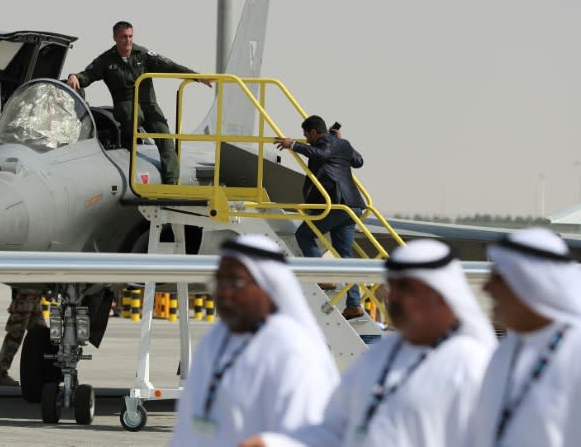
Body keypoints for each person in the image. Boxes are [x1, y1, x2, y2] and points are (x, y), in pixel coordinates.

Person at [243, 239, 497, 447]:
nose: (392, 299)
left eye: (406, 288)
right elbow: (335, 431)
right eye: (391, 288)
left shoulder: (470, 364)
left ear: (441, 295)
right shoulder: (379, 356)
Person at [170, 235, 339, 446]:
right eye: (219, 281)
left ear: (268, 287)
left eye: (235, 282)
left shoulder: (292, 350)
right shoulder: (214, 340)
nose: (223, 292)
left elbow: (313, 437)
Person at [469, 227, 581, 446]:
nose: (486, 288)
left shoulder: (576, 351)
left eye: (498, 278)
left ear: (530, 282)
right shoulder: (505, 352)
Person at [66, 21, 211, 185]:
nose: (128, 41)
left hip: (149, 103)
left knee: (165, 136)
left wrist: (197, 76)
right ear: (115, 38)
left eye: (130, 36)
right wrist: (74, 76)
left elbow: (169, 66)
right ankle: (128, 139)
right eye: (123, 37)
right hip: (125, 103)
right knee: (134, 115)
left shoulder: (142, 54)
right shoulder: (106, 60)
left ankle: (171, 181)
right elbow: (88, 75)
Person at [275, 116, 367, 320]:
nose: (306, 138)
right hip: (352, 206)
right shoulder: (342, 144)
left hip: (336, 205)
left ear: (315, 132)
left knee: (304, 235)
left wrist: (294, 145)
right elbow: (358, 161)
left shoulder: (324, 144)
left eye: (307, 134)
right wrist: (341, 141)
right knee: (346, 256)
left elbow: (323, 153)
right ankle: (354, 304)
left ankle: (323, 275)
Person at [0, 287, 47, 386]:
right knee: (15, 336)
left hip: (34, 297)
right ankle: (0, 373)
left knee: (41, 334)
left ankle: (39, 375)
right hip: (26, 297)